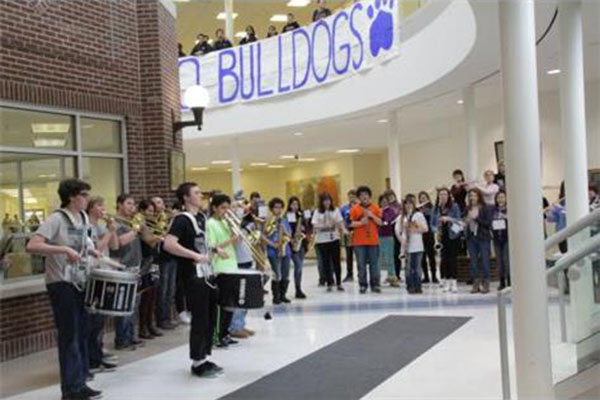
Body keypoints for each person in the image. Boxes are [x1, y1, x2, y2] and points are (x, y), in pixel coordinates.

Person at [26, 178, 103, 400]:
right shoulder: (56, 219)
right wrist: (62, 250)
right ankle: (70, 389)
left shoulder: (83, 217)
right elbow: (32, 245)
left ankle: (80, 382)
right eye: (84, 195)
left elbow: (83, 244)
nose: (87, 199)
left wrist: (92, 252)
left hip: (80, 281)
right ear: (71, 196)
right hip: (61, 283)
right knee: (69, 335)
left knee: (82, 332)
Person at [163, 182, 224, 378]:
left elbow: (201, 243)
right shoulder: (181, 220)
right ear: (186, 197)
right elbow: (169, 245)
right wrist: (193, 256)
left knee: (209, 316)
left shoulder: (201, 217)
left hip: (206, 273)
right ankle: (197, 361)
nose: (200, 195)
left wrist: (214, 249)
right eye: (196, 193)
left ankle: (204, 356)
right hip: (191, 275)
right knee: (199, 318)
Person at [110, 194, 153, 351]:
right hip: (122, 267)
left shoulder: (132, 222)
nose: (132, 207)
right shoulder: (114, 222)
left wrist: (145, 227)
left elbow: (148, 239)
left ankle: (131, 336)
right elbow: (120, 242)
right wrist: (135, 229)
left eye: (133, 204)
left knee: (134, 305)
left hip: (136, 266)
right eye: (128, 204)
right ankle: (121, 339)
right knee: (123, 305)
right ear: (119, 205)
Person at [86, 196, 119, 374]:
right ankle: (93, 359)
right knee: (94, 319)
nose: (103, 209)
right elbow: (96, 250)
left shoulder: (100, 226)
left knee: (101, 319)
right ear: (91, 208)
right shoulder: (87, 227)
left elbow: (113, 246)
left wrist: (111, 229)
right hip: (93, 273)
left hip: (104, 272)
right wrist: (108, 232)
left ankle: (98, 355)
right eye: (99, 205)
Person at [206, 194, 241, 348]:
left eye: (228, 208)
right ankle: (218, 335)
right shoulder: (210, 223)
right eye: (223, 208)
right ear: (214, 208)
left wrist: (236, 237)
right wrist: (230, 241)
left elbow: (233, 244)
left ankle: (226, 333)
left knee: (231, 303)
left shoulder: (226, 223)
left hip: (232, 265)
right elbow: (212, 245)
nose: (226, 211)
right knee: (222, 304)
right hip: (220, 267)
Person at [229, 196, 257, 339]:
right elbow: (233, 242)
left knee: (246, 297)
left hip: (247, 260)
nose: (239, 209)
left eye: (240, 207)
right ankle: (234, 326)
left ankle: (241, 323)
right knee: (239, 297)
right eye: (235, 207)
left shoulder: (245, 223)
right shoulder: (230, 224)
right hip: (238, 262)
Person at [137, 200, 163, 340]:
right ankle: (142, 327)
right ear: (141, 211)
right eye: (148, 211)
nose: (151, 214)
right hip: (145, 261)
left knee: (154, 292)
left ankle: (150, 323)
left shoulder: (153, 224)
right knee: (146, 295)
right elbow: (149, 240)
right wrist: (159, 237)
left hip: (154, 260)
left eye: (153, 211)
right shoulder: (140, 224)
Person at [350, 186, 383, 294]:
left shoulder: (375, 208)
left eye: (366, 195)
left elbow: (381, 222)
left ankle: (375, 285)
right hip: (359, 242)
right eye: (362, 195)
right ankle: (363, 285)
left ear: (369, 196)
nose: (364, 197)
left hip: (373, 241)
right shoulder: (355, 209)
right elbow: (349, 224)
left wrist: (372, 215)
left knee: (375, 265)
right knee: (361, 265)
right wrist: (361, 223)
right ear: (359, 197)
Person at [312, 193, 345, 292]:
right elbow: (315, 226)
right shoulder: (318, 212)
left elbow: (340, 222)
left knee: (336, 262)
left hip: (334, 238)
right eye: (325, 201)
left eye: (328, 200)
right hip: (322, 240)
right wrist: (324, 225)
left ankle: (339, 282)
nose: (327, 203)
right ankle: (329, 282)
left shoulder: (335, 210)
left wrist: (341, 228)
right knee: (325, 262)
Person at [431, 187, 462, 293]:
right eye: (441, 194)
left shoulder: (454, 206)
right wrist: (436, 229)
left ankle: (454, 283)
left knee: (452, 259)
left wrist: (448, 219)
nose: (443, 196)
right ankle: (447, 281)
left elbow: (459, 221)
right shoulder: (436, 208)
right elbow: (432, 224)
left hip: (452, 236)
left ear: (448, 195)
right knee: (444, 260)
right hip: (441, 237)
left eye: (445, 194)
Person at [265, 198, 293, 304]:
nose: (279, 209)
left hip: (286, 250)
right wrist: (272, 244)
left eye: (281, 207)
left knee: (286, 273)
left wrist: (283, 228)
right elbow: (263, 235)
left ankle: (283, 295)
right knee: (277, 273)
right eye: (276, 207)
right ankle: (275, 296)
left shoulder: (284, 220)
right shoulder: (268, 221)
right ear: (272, 209)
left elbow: (289, 235)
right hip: (273, 250)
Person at [465, 188, 493, 294]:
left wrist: (476, 218)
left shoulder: (485, 208)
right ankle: (476, 282)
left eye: (474, 195)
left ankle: (486, 282)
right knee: (473, 261)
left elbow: (488, 223)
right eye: (470, 196)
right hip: (471, 237)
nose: (472, 197)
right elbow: (466, 220)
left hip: (483, 237)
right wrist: (466, 221)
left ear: (479, 196)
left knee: (485, 260)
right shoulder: (468, 208)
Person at [397, 197, 428, 294]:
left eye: (410, 203)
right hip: (407, 246)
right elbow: (398, 231)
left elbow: (425, 229)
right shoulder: (402, 217)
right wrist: (403, 235)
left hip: (417, 245)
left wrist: (415, 227)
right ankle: (410, 286)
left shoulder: (418, 215)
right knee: (408, 268)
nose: (408, 206)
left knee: (417, 267)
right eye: (406, 204)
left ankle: (418, 286)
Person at [287, 196, 308, 298]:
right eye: (293, 204)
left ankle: (298, 288)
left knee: (299, 268)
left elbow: (308, 228)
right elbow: (287, 230)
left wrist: (304, 227)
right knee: (298, 266)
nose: (295, 206)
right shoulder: (287, 216)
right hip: (292, 244)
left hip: (301, 243)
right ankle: (297, 288)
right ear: (289, 205)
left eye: (297, 204)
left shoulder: (301, 215)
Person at [378, 194, 399, 287]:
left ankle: (392, 277)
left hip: (388, 237)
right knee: (377, 259)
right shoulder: (377, 210)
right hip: (378, 237)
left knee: (389, 258)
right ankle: (376, 278)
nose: (384, 202)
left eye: (385, 200)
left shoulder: (391, 211)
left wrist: (383, 219)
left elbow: (388, 221)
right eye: (382, 201)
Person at [417, 191, 438, 284]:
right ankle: (425, 276)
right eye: (421, 197)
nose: (423, 199)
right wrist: (419, 212)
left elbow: (434, 219)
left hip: (429, 234)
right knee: (422, 256)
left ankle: (434, 276)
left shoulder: (432, 208)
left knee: (431, 255)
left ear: (427, 198)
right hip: (420, 234)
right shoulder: (417, 209)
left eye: (424, 197)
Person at [492, 191, 510, 290]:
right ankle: (502, 281)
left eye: (502, 197)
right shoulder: (494, 210)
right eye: (498, 197)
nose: (500, 199)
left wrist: (506, 218)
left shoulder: (509, 209)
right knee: (499, 262)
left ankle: (510, 280)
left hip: (506, 238)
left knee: (506, 260)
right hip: (496, 239)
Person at [384, 190, 403, 281]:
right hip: (388, 232)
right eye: (389, 196)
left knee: (396, 254)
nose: (391, 197)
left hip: (397, 231)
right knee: (389, 255)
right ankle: (390, 274)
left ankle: (397, 274)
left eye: (392, 195)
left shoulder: (400, 206)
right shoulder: (385, 207)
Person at [340, 189, 357, 282]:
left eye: (353, 196)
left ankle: (361, 274)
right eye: (350, 197)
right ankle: (349, 274)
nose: (351, 198)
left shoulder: (359, 207)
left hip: (358, 232)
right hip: (348, 232)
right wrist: (344, 230)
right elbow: (341, 220)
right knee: (349, 254)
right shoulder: (344, 208)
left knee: (359, 255)